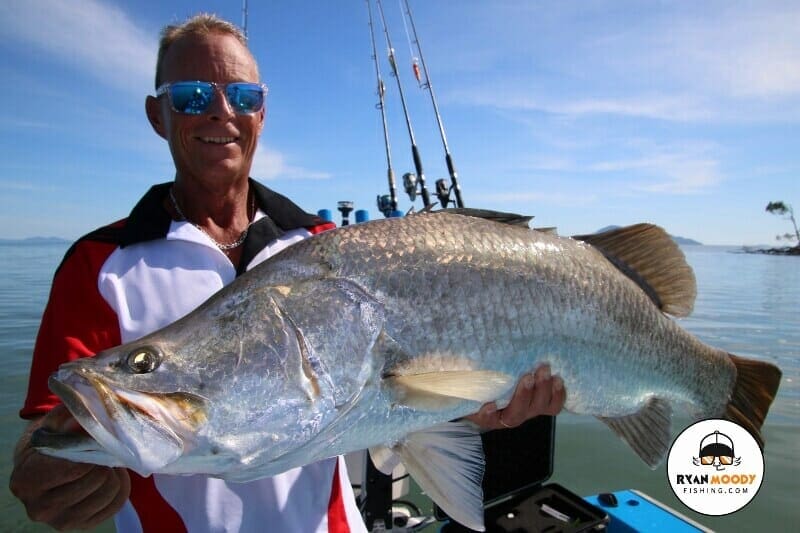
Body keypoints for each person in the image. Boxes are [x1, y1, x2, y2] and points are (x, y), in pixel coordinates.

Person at [9, 13, 565, 533]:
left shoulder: (326, 249)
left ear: (261, 115)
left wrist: (483, 411)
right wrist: (48, 473)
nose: (219, 112)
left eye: (242, 96)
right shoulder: (98, 263)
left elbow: (394, 400)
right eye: (191, 96)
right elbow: (45, 436)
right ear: (158, 115)